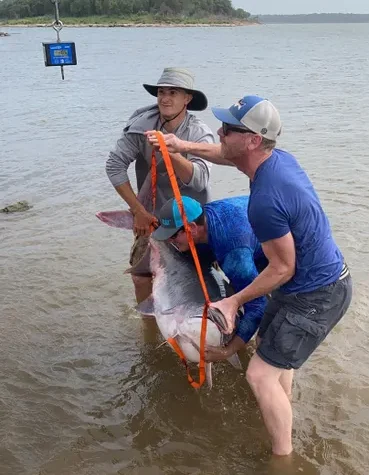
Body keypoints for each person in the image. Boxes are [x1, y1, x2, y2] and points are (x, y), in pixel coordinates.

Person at [146, 95, 353, 456]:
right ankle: (280, 410)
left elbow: (280, 271)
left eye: (229, 129)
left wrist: (229, 338)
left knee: (257, 373)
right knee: (271, 365)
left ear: (254, 140)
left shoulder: (262, 208)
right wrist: (181, 145)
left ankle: (282, 458)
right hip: (301, 284)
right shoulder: (275, 159)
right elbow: (224, 154)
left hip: (317, 294)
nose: (220, 133)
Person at [106, 67, 215, 304]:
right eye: (161, 92)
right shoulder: (141, 126)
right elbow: (114, 166)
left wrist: (171, 152)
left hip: (191, 218)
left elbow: (199, 179)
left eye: (173, 93)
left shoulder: (199, 133)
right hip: (151, 215)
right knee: (141, 277)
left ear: (187, 98)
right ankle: (148, 329)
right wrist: (138, 211)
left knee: (196, 278)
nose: (165, 98)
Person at [151, 195, 268, 360]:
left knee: (267, 323)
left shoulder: (234, 253)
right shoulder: (204, 218)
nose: (170, 241)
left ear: (191, 227)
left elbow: (258, 305)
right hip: (252, 224)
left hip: (285, 248)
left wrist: (228, 351)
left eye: (173, 236)